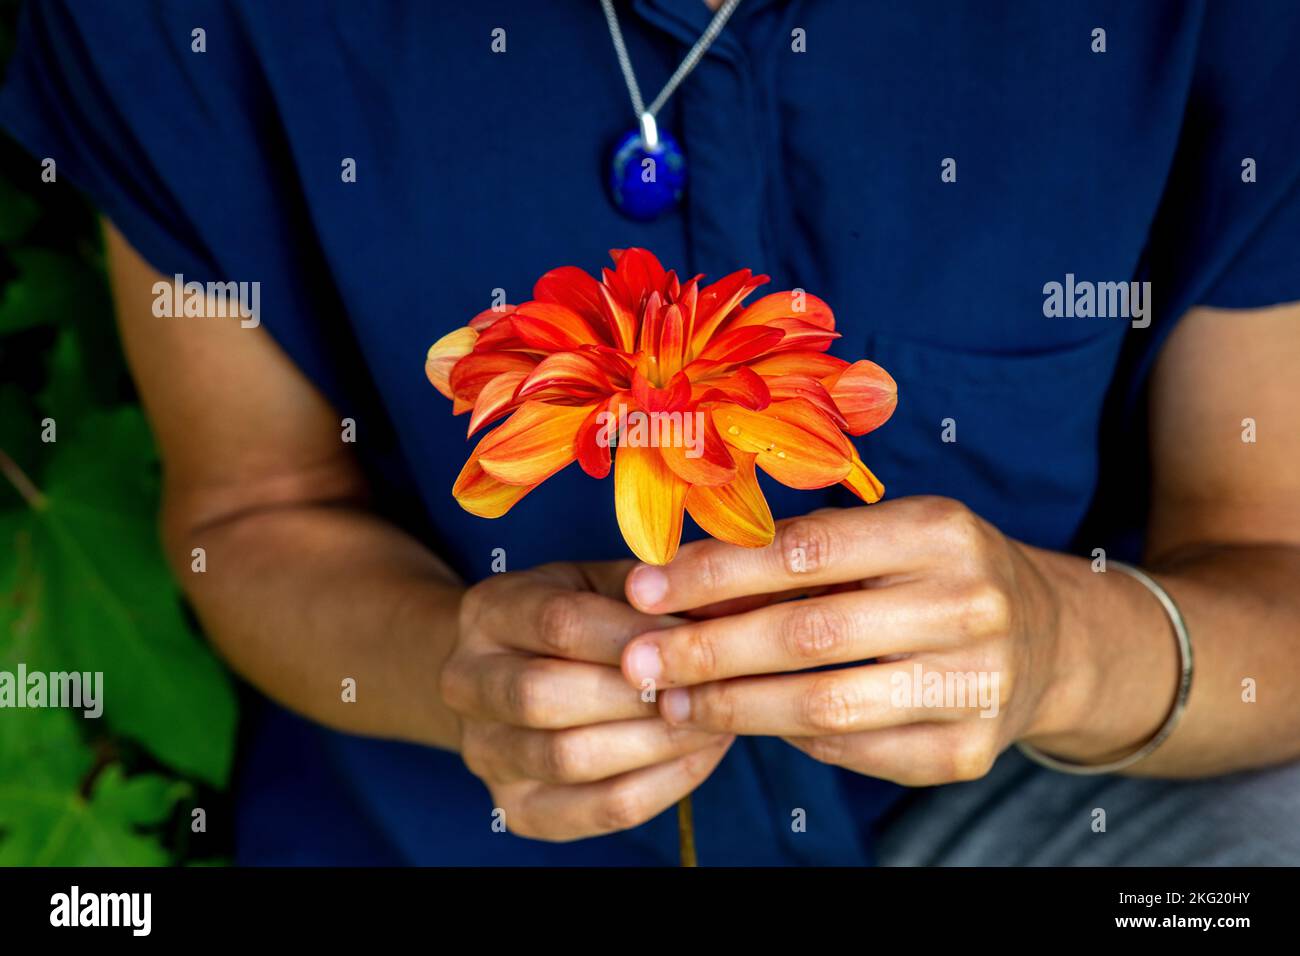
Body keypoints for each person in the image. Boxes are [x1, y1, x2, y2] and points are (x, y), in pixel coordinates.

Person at [3, 0, 1298, 866]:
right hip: (461, 831)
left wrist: (1063, 650)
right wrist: (466, 677)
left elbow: (1272, 568)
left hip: (1031, 808)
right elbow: (249, 512)